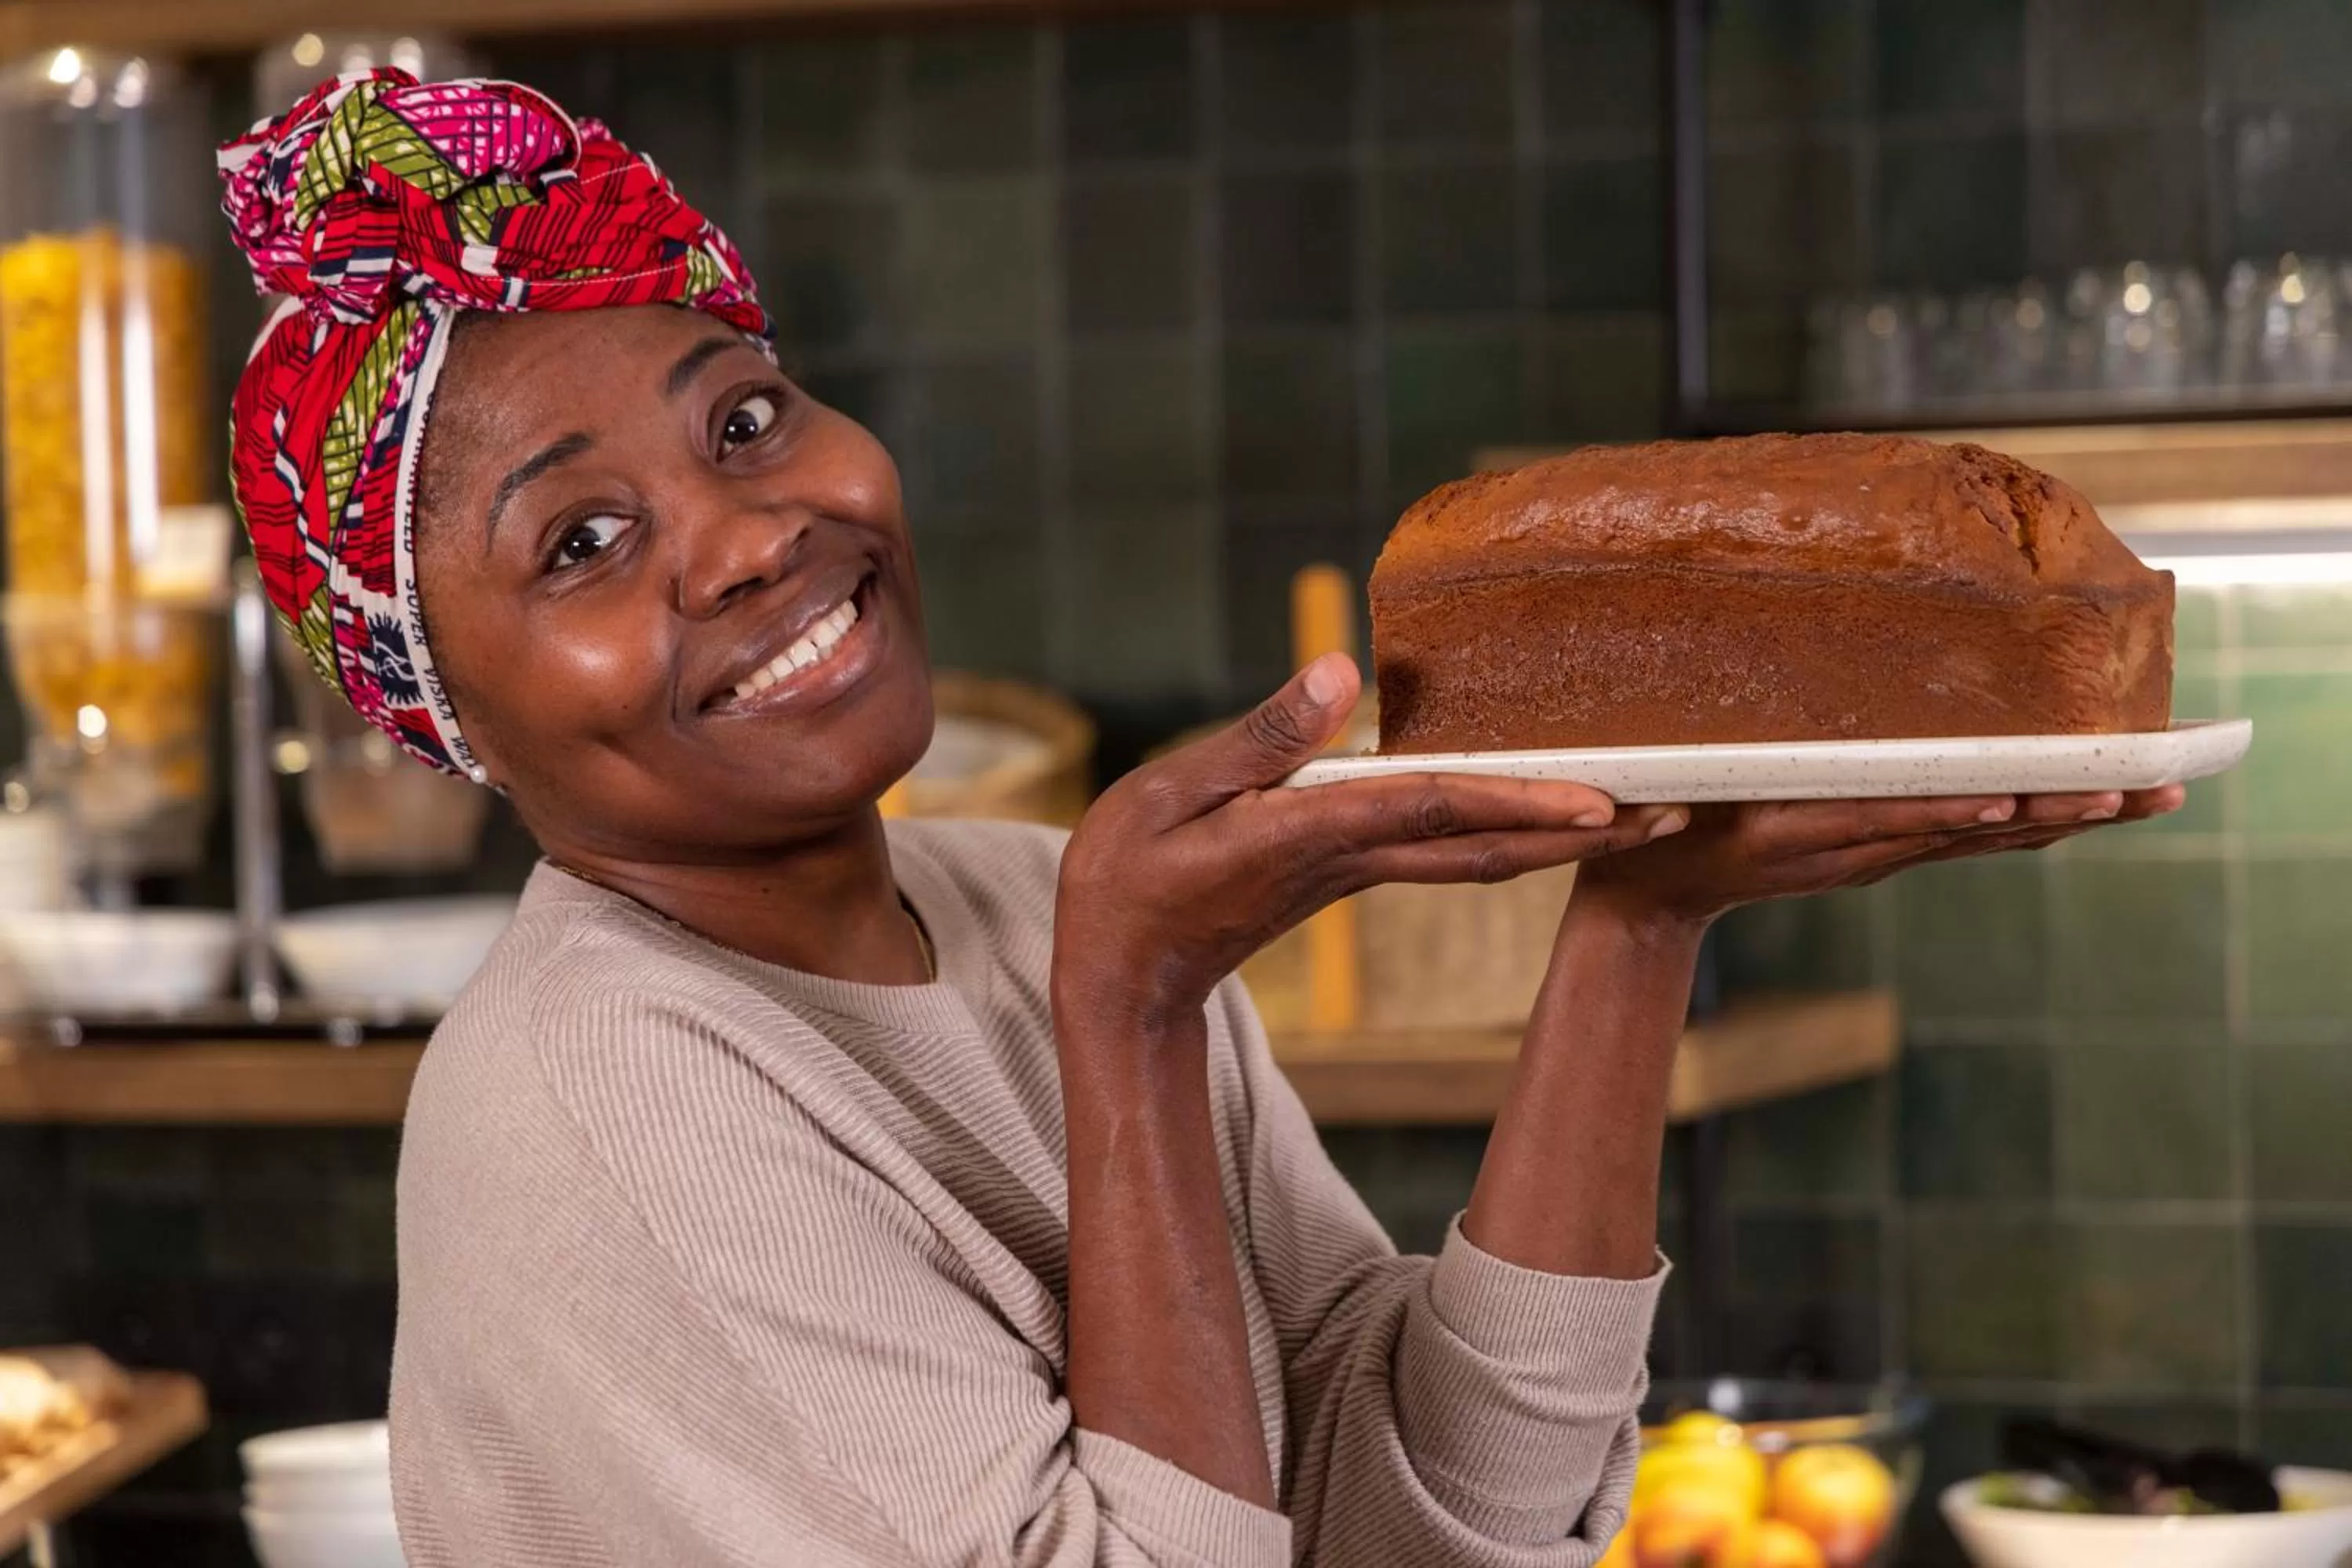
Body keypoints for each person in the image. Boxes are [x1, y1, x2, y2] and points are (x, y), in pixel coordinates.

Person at [218, 71, 2180, 1568]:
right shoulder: (603, 1099)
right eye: (580, 540)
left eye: (742, 418)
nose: (747, 536)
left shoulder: (1012, 902)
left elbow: (1424, 1525)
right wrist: (1133, 1012)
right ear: (437, 713)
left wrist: (1635, 920)